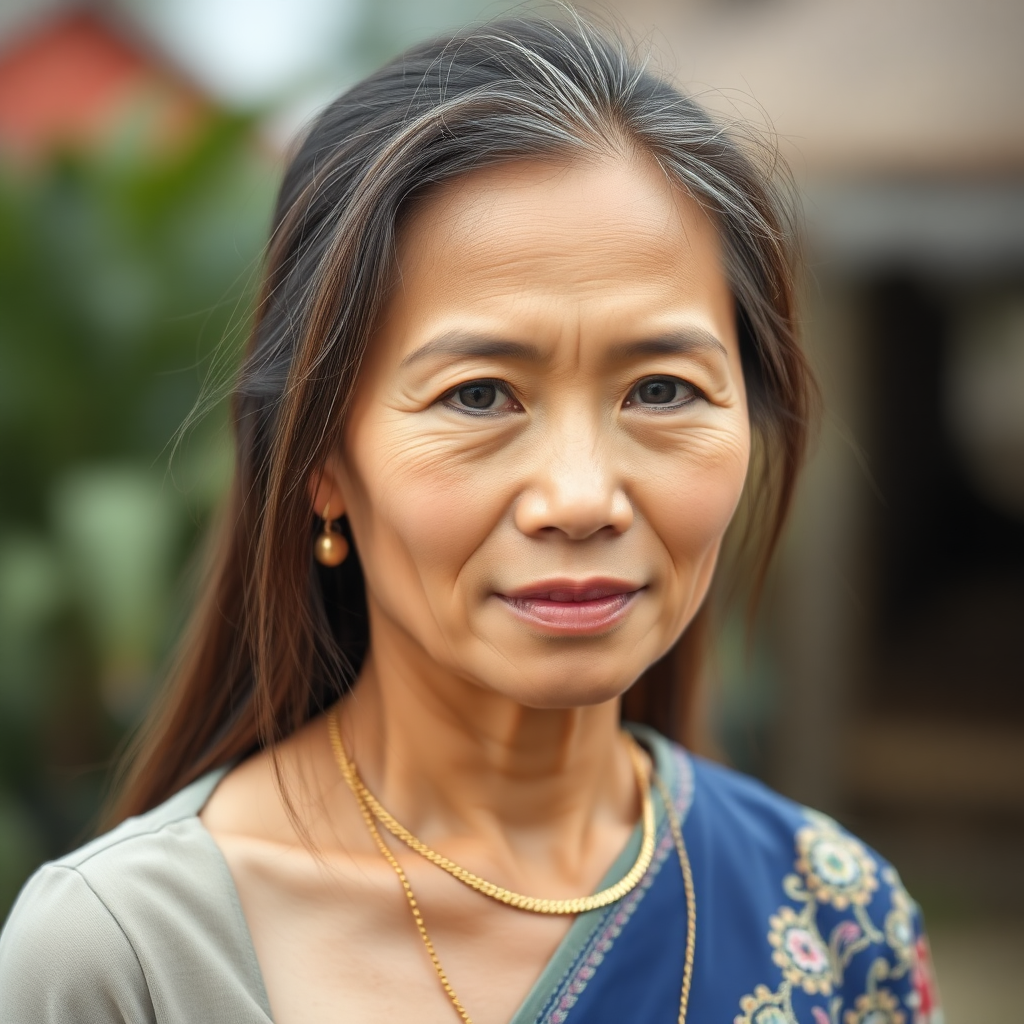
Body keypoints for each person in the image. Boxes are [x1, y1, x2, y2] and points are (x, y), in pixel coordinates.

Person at [0, 15, 941, 1024]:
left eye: (662, 390)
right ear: (321, 460)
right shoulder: (123, 956)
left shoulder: (837, 920)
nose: (580, 499)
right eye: (480, 395)